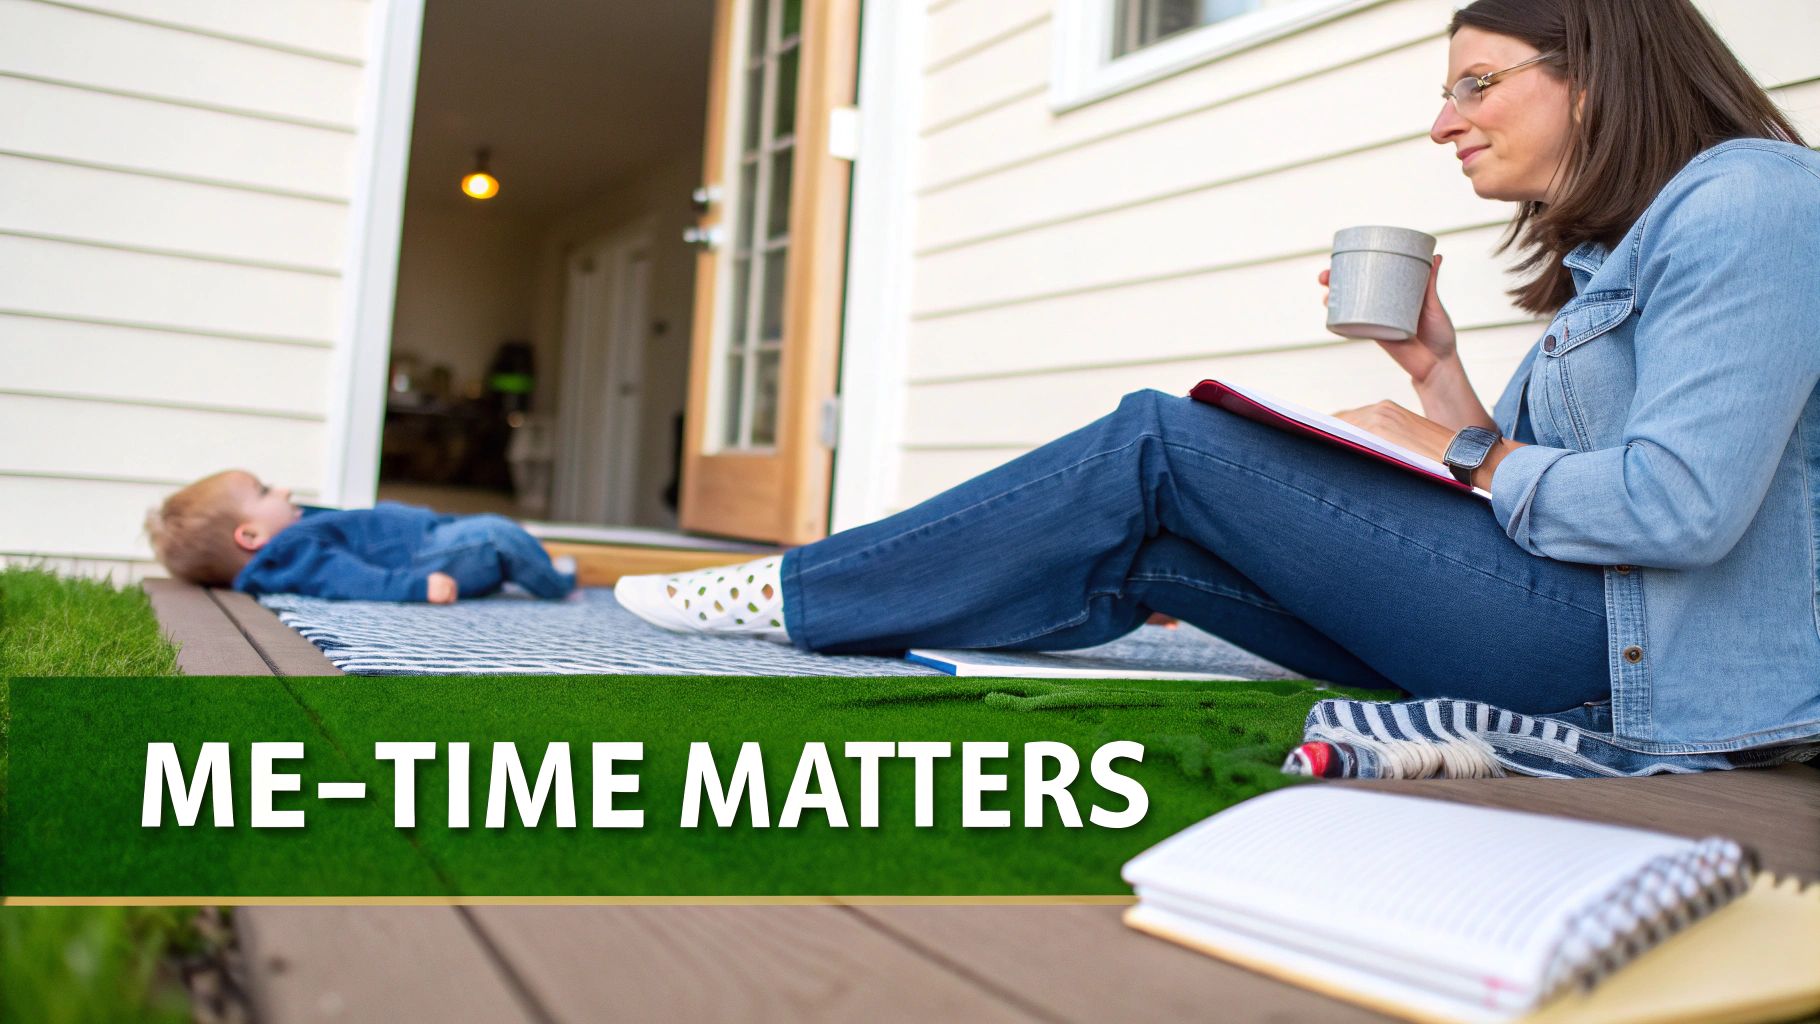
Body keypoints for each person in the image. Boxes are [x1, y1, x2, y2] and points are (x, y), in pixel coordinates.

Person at [616, 0, 1819, 763]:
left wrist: (1461, 447)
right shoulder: (1622, 250)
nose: (1441, 122)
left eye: (1473, 82)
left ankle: (798, 585)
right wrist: (1437, 372)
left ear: (1593, 70)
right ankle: (865, 631)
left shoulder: (1752, 198)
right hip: (1584, 631)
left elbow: (1675, 508)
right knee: (1157, 546)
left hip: (1639, 672)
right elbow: (1512, 497)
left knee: (1159, 441)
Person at [146, 470, 576, 603]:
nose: (284, 491)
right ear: (251, 535)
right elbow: (350, 579)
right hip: (423, 560)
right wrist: (417, 587)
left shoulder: (286, 544)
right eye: (265, 491)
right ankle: (557, 583)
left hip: (424, 538)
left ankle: (526, 565)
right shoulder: (292, 553)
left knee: (486, 532)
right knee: (498, 535)